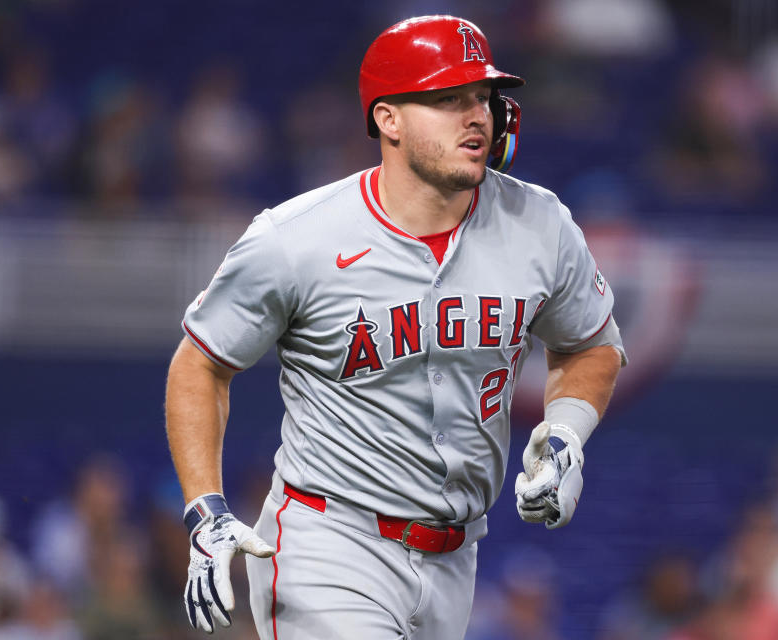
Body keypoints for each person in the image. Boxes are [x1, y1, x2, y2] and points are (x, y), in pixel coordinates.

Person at [164, 14, 626, 640]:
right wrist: (205, 510)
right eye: (448, 99)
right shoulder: (296, 239)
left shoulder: (540, 225)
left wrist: (568, 435)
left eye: (483, 97)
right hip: (330, 542)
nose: (477, 116)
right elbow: (201, 362)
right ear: (388, 119)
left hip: (457, 558)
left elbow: (591, 343)